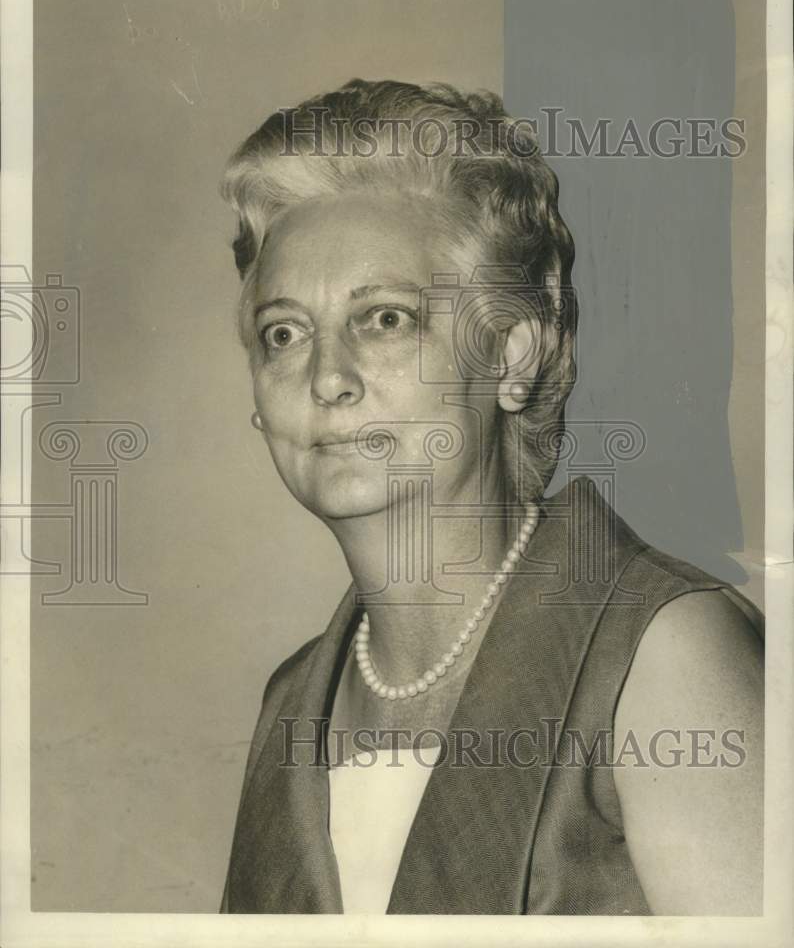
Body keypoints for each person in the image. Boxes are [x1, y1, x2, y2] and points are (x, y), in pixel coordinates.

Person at [219, 79, 764, 915]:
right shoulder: (292, 703)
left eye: (387, 319)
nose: (327, 378)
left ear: (509, 358)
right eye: (283, 334)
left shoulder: (662, 652)